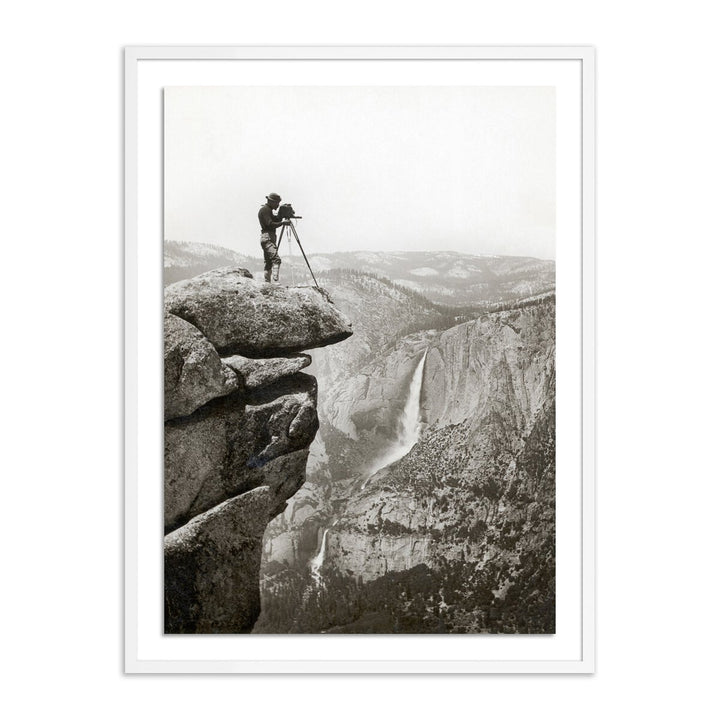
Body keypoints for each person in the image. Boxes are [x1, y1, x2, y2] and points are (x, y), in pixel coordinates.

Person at [258, 192, 290, 283]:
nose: (278, 205)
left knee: (268, 262)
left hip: (267, 237)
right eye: (277, 203)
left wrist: (281, 215)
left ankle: (267, 283)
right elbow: (270, 224)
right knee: (276, 259)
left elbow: (274, 220)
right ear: (271, 201)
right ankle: (275, 281)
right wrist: (282, 223)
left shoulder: (267, 210)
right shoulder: (265, 210)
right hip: (268, 238)